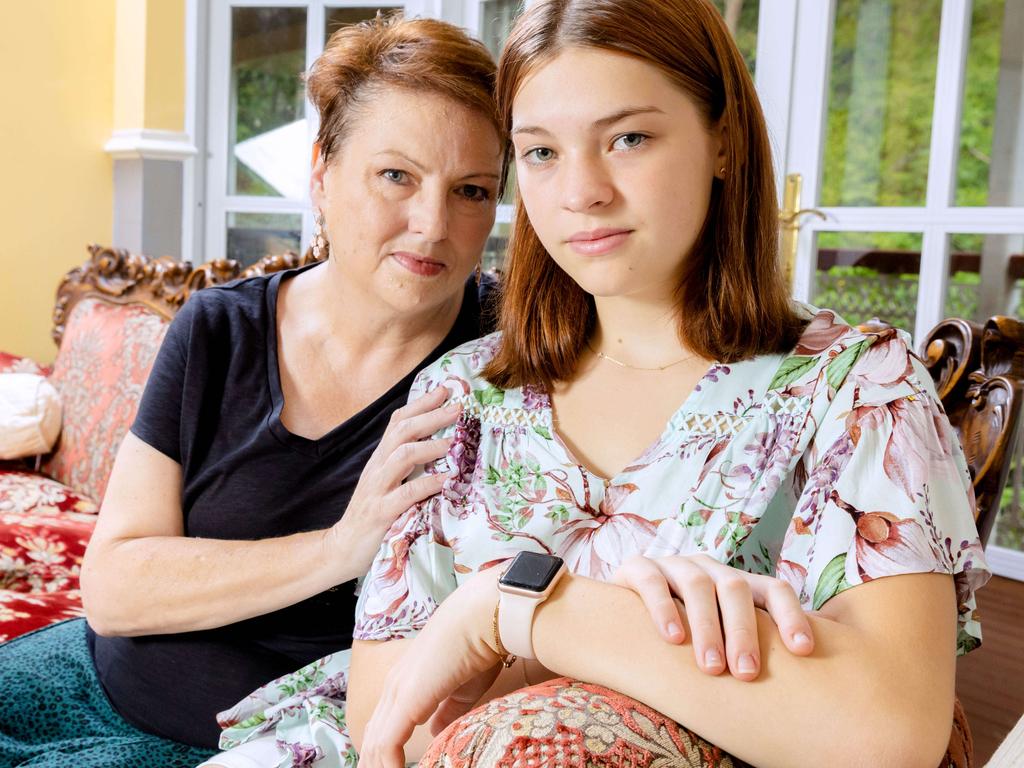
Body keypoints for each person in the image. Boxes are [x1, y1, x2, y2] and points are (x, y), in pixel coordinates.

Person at [209, 1, 990, 767]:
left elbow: (890, 732)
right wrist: (575, 640)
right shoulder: (461, 397)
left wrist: (508, 609)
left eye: (628, 137)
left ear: (722, 141)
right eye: (542, 153)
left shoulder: (859, 387)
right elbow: (389, 727)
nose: (580, 191)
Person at [0, 14, 505, 767]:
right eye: (395, 175)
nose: (433, 224)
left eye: (471, 190)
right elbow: (111, 585)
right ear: (322, 176)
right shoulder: (218, 330)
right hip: (88, 673)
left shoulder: (507, 360)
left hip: (244, 744)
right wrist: (341, 547)